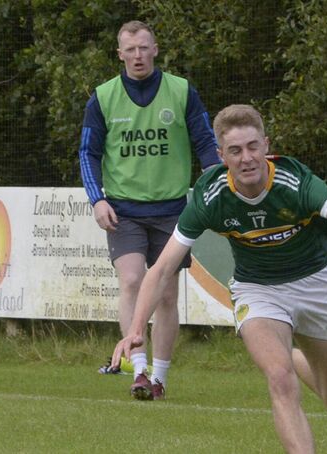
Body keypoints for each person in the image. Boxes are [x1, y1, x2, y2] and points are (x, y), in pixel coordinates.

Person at [112, 104, 327, 452]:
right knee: (279, 378)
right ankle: (287, 365)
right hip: (257, 291)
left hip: (315, 284)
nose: (247, 158)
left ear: (266, 145)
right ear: (221, 156)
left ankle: (298, 358)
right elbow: (162, 268)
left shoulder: (295, 181)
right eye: (235, 151)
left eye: (253, 146)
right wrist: (135, 330)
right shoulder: (210, 197)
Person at [78, 20, 220, 399]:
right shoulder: (103, 97)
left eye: (144, 48)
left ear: (155, 50)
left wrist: (216, 178)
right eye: (131, 49)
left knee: (169, 296)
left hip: (174, 210)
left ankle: (160, 377)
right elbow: (88, 152)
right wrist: (98, 199)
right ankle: (137, 370)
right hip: (123, 210)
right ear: (120, 54)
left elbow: (205, 139)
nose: (138, 55)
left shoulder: (181, 91)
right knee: (131, 281)